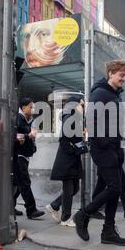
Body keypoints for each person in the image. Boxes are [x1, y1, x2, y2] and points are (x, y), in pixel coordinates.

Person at [73, 60, 125, 246]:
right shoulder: (100, 93)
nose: (124, 78)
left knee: (115, 188)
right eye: (121, 74)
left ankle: (108, 232)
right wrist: (104, 144)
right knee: (115, 187)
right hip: (103, 148)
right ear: (111, 73)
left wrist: (117, 145)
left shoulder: (113, 94)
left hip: (114, 147)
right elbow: (90, 120)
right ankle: (82, 215)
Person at [46, 97, 88, 227]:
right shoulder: (69, 118)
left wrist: (82, 141)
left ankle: (54, 205)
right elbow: (64, 140)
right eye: (82, 104)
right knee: (69, 189)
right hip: (67, 160)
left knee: (74, 188)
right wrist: (78, 149)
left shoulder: (76, 119)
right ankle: (65, 218)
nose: (83, 107)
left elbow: (73, 139)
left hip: (71, 160)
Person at [13, 98, 45, 220]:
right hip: (19, 156)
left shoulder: (26, 120)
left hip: (24, 156)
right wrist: (29, 135)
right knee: (25, 183)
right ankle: (31, 210)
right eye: (31, 107)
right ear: (24, 107)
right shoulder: (18, 119)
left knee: (17, 184)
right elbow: (15, 135)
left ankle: (10, 207)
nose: (33, 109)